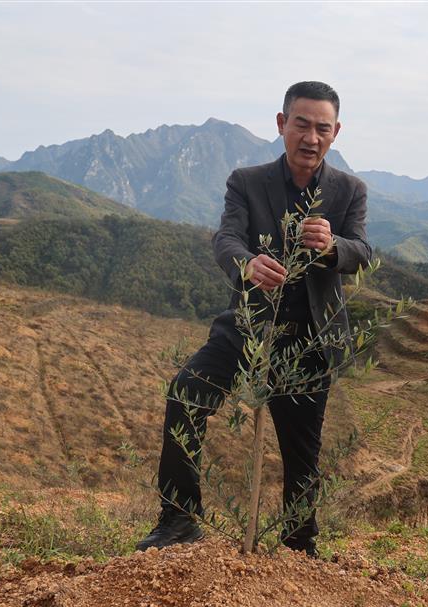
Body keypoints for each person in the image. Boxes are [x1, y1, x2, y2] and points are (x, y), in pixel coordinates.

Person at [137, 80, 372, 556]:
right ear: (282, 124)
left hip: (310, 340)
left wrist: (333, 247)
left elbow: (363, 251)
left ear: (336, 132)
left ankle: (298, 544)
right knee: (186, 394)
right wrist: (247, 264)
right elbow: (226, 238)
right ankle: (178, 519)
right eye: (301, 124)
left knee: (301, 450)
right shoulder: (246, 181)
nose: (311, 137)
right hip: (246, 328)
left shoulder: (349, 190)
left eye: (322, 128)